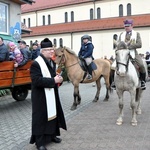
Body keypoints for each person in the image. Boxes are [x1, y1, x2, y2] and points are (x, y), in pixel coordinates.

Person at [29, 38, 67, 150]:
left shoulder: (51, 62)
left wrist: (58, 79)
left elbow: (52, 77)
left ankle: (52, 136)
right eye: (48, 49)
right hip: (40, 96)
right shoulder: (36, 63)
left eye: (52, 49)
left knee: (53, 115)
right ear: (42, 51)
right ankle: (39, 143)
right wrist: (53, 81)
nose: (52, 51)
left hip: (51, 93)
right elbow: (36, 81)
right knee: (40, 118)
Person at [111, 19, 146, 90]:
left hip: (133, 52)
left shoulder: (136, 34)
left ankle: (142, 81)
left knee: (141, 65)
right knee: (112, 66)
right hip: (122, 53)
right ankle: (113, 82)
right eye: (125, 26)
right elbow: (119, 43)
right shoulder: (121, 34)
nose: (126, 27)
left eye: (128, 26)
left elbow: (139, 44)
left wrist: (129, 47)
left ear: (132, 26)